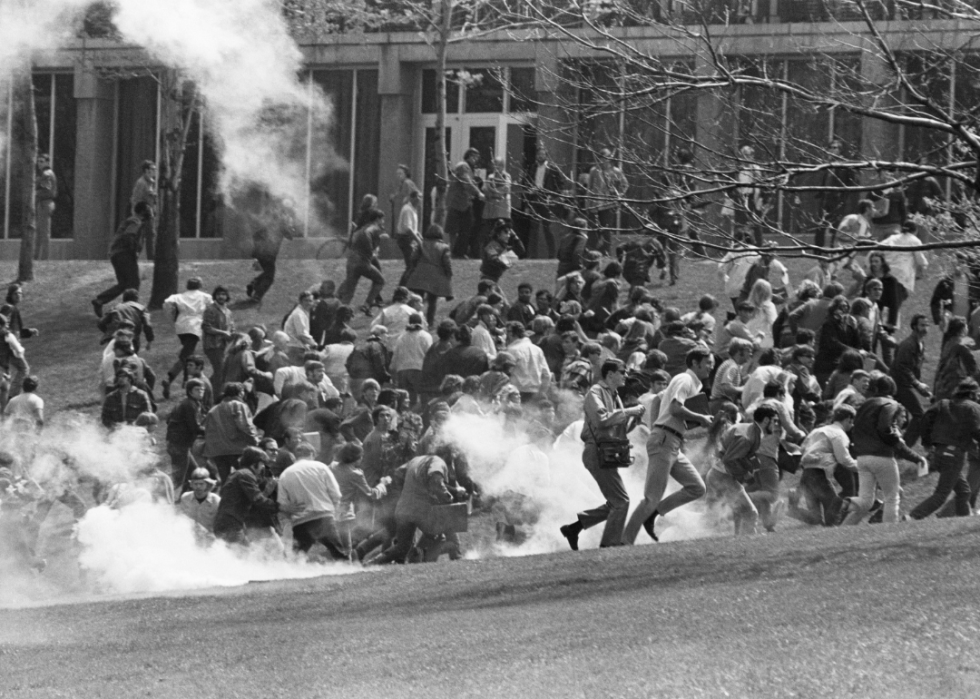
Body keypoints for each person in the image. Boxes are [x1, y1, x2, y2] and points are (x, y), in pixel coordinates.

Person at [622, 347, 714, 544]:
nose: (711, 367)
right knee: (651, 497)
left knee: (697, 488)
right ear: (695, 364)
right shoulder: (685, 379)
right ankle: (625, 541)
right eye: (708, 363)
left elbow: (659, 399)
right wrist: (700, 417)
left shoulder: (692, 383)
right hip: (664, 440)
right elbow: (674, 407)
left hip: (671, 441)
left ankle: (654, 516)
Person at [560, 359, 645, 550]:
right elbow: (601, 419)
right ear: (610, 374)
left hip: (605, 452)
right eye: (622, 371)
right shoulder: (596, 392)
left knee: (616, 502)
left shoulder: (612, 393)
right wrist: (630, 411)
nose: (625, 375)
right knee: (621, 501)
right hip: (597, 452)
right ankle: (609, 545)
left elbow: (605, 425)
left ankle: (574, 528)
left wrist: (631, 417)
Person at [842, 375, 927, 525]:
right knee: (892, 497)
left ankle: (842, 515)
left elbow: (854, 429)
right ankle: (889, 531)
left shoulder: (865, 404)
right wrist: (916, 457)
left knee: (866, 501)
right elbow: (885, 429)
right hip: (882, 457)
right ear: (893, 389)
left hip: (861, 458)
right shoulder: (891, 404)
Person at [368, 453, 465, 564]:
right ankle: (421, 557)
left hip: (403, 508)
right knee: (439, 536)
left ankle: (372, 563)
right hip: (421, 510)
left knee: (402, 547)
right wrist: (447, 497)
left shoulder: (416, 460)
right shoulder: (437, 462)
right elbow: (436, 481)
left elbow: (398, 473)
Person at [910, 378, 980, 520]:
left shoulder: (943, 403)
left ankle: (963, 521)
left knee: (964, 492)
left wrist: (927, 443)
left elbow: (925, 420)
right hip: (955, 454)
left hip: (938, 453)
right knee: (941, 494)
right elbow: (976, 430)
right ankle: (911, 517)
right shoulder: (973, 407)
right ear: (973, 393)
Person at [706, 404, 779, 536]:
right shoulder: (747, 436)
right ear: (766, 421)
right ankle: (748, 543)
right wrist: (745, 475)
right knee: (750, 513)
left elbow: (742, 454)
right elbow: (730, 460)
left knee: (738, 511)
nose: (776, 425)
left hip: (720, 475)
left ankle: (739, 540)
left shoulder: (750, 430)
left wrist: (754, 465)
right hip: (722, 476)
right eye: (775, 421)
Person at [790, 405, 858, 527]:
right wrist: (861, 466)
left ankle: (789, 509)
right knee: (832, 512)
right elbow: (844, 459)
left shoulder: (817, 431)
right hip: (819, 475)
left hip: (806, 474)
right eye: (852, 422)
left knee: (816, 518)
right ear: (849, 419)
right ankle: (833, 534)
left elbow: (803, 449)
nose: (852, 426)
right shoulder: (839, 434)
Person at [278, 443, 348, 560]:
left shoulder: (285, 474)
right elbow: (336, 493)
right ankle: (348, 572)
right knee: (338, 553)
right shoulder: (321, 467)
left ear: (295, 457)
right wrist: (334, 510)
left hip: (300, 521)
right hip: (323, 516)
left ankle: (288, 574)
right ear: (313, 454)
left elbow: (283, 504)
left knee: (297, 557)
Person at [213, 447, 292, 546]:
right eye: (262, 463)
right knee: (241, 556)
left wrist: (266, 491)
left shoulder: (238, 474)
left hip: (229, 523)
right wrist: (281, 507)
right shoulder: (246, 475)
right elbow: (258, 500)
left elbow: (252, 500)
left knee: (244, 554)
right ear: (255, 463)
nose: (263, 467)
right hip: (231, 523)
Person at [92, 202, 152, 317]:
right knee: (134, 282)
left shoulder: (133, 220)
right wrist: (133, 251)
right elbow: (129, 235)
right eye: (149, 209)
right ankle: (131, 310)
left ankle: (100, 301)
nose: (151, 212)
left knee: (124, 284)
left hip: (116, 254)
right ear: (143, 211)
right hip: (124, 254)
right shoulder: (136, 221)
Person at [161, 278, 212, 400]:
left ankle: (186, 380)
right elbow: (211, 307)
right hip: (194, 326)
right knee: (186, 356)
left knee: (188, 354)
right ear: (200, 285)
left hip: (181, 326)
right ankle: (171, 378)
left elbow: (166, 303)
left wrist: (172, 316)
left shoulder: (178, 296)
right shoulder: (204, 296)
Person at [203, 382, 260, 483]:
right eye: (243, 391)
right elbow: (245, 426)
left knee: (226, 481)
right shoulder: (239, 405)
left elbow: (208, 431)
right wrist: (256, 441)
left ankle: (226, 498)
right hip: (237, 449)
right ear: (240, 393)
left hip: (218, 452)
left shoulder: (213, 409)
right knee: (246, 477)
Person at [892, 314, 932, 446]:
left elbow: (915, 369)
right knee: (919, 416)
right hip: (899, 384)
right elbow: (901, 367)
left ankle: (895, 446)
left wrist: (920, 388)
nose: (925, 328)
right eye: (922, 325)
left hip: (905, 384)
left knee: (897, 418)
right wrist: (917, 384)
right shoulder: (908, 345)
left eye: (927, 325)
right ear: (914, 326)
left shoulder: (920, 344)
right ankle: (904, 449)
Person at [338, 207, 387, 314]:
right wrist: (373, 248)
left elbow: (352, 244)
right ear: (378, 219)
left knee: (349, 293)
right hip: (362, 262)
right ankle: (367, 304)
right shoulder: (374, 228)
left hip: (351, 262)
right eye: (382, 219)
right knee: (380, 281)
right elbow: (370, 244)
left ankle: (337, 316)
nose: (383, 222)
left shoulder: (361, 228)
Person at [404, 223, 454, 327]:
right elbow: (446, 262)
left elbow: (413, 258)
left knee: (416, 300)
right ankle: (430, 323)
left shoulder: (421, 244)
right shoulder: (444, 247)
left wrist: (415, 268)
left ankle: (412, 320)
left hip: (420, 273)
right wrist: (449, 273)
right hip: (435, 276)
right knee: (432, 301)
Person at [525, 145, 569, 259]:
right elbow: (526, 183)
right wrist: (528, 201)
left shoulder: (553, 169)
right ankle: (532, 256)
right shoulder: (532, 168)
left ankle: (552, 255)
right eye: (538, 154)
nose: (540, 156)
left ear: (546, 155)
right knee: (533, 228)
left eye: (542, 154)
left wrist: (553, 197)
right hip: (534, 199)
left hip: (546, 200)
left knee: (547, 229)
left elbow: (561, 185)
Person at [881, 223, 928, 325]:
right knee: (895, 304)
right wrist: (921, 272)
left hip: (887, 275)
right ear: (915, 231)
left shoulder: (891, 238)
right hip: (901, 278)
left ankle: (882, 324)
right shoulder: (914, 240)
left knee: (885, 303)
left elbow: (877, 251)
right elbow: (921, 261)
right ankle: (889, 327)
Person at [166, 377, 206, 493]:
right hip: (179, 445)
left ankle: (184, 499)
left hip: (178, 444)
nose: (201, 392)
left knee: (194, 473)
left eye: (202, 390)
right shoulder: (189, 405)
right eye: (197, 390)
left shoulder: (187, 402)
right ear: (190, 391)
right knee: (178, 479)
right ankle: (159, 497)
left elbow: (169, 420)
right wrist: (211, 432)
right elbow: (194, 427)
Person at [586, 148, 628, 254]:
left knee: (606, 230)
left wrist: (618, 194)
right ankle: (592, 253)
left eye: (606, 158)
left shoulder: (615, 171)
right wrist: (588, 203)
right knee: (593, 230)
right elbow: (589, 188)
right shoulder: (594, 171)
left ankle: (606, 252)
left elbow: (625, 184)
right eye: (601, 158)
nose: (603, 160)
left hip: (608, 205)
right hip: (595, 205)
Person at [448, 148, 486, 259]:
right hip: (457, 203)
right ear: (469, 156)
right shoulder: (463, 166)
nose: (476, 160)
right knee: (460, 229)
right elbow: (466, 182)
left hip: (464, 204)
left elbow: (470, 182)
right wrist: (479, 193)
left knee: (467, 227)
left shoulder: (468, 168)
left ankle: (459, 252)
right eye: (475, 157)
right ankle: (457, 253)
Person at [391, 313, 432, 408]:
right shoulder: (425, 336)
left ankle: (407, 417)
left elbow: (395, 356)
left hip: (402, 371)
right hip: (419, 369)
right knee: (423, 399)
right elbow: (429, 355)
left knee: (407, 401)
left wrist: (393, 371)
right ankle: (423, 417)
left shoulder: (401, 337)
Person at [933, 316, 977, 401]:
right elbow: (973, 368)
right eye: (966, 326)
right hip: (956, 387)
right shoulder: (962, 345)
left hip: (943, 386)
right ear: (962, 329)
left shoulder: (948, 343)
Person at [96, 288, 153, 353]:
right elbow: (147, 325)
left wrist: (108, 332)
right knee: (131, 359)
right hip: (132, 337)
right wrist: (149, 340)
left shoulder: (116, 307)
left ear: (124, 298)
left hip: (115, 336)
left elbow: (100, 323)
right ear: (136, 298)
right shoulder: (142, 308)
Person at [201, 286, 234, 383]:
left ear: (227, 296)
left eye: (223, 294)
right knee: (220, 370)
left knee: (220, 371)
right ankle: (215, 394)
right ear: (215, 296)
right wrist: (223, 333)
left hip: (223, 346)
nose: (221, 297)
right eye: (218, 294)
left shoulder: (228, 312)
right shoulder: (210, 309)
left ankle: (206, 388)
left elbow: (231, 327)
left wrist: (232, 334)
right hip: (212, 345)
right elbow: (206, 327)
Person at [177, 468, 220, 534]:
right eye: (195, 484)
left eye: (201, 484)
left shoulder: (216, 501)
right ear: (191, 484)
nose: (198, 487)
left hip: (209, 537)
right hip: (188, 536)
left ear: (208, 484)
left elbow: (220, 524)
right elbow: (180, 518)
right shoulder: (185, 498)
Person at [129, 159, 157, 261]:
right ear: (146, 170)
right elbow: (135, 199)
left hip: (149, 213)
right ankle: (134, 258)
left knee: (150, 235)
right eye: (152, 169)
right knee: (140, 237)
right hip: (142, 214)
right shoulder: (141, 183)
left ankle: (151, 259)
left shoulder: (150, 183)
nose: (154, 171)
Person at [0, 314, 29, 412]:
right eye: (5, 324)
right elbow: (19, 350)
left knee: (4, 389)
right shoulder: (7, 335)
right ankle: (5, 414)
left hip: (3, 368)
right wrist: (18, 352)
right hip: (3, 368)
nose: (7, 326)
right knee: (4, 390)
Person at [33, 153, 58, 261]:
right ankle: (36, 258)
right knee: (39, 232)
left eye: (42, 161)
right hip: (43, 203)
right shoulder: (45, 173)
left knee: (44, 233)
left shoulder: (47, 173)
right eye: (38, 161)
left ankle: (44, 259)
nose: (39, 163)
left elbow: (46, 189)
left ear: (48, 162)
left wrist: (35, 192)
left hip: (45, 203)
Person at [395, 189, 423, 280]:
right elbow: (408, 229)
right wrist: (418, 240)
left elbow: (413, 228)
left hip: (409, 238)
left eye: (421, 197)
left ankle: (408, 286)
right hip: (405, 239)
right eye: (418, 197)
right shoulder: (407, 209)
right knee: (411, 265)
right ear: (412, 198)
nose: (420, 199)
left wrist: (418, 235)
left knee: (414, 264)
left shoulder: (414, 210)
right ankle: (402, 287)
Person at [482, 156, 513, 240]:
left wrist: (493, 191)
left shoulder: (506, 176)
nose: (496, 167)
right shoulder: (490, 177)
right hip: (491, 211)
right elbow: (485, 189)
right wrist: (493, 192)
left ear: (503, 166)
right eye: (495, 165)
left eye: (499, 165)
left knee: (502, 235)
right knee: (489, 235)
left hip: (502, 211)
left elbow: (505, 189)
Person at [283, 291, 317, 364]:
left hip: (297, 346)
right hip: (294, 347)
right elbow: (301, 334)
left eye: (310, 301)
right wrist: (313, 344)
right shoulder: (299, 314)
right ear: (300, 301)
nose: (308, 303)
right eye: (306, 300)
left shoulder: (304, 312)